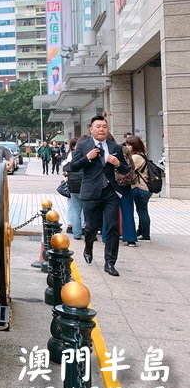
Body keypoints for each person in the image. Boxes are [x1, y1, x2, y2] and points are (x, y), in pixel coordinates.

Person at [70, 115, 131, 277]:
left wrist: (117, 164)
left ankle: (110, 262)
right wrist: (87, 158)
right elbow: (73, 167)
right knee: (90, 227)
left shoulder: (115, 147)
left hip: (110, 191)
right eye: (98, 126)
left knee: (112, 227)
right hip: (91, 191)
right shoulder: (83, 146)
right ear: (91, 129)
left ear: (107, 129)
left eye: (104, 126)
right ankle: (88, 247)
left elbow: (126, 170)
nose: (101, 129)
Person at [127, 135, 153, 241]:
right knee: (142, 211)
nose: (127, 147)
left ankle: (145, 234)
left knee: (142, 211)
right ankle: (141, 231)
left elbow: (129, 171)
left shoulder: (136, 157)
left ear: (133, 146)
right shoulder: (143, 155)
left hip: (140, 187)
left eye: (129, 144)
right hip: (146, 187)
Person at [62, 136, 86, 239]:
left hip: (74, 184)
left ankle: (76, 233)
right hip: (87, 185)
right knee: (86, 209)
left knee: (75, 208)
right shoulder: (91, 154)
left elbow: (66, 167)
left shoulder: (72, 154)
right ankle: (85, 229)